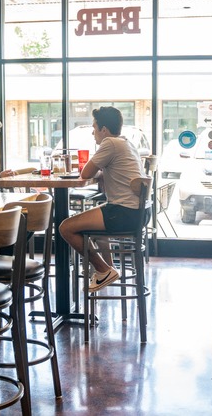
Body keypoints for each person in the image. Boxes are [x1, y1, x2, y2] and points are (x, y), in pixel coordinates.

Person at [59, 107, 146, 292]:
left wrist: (98, 172)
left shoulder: (110, 144)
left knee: (65, 227)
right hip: (137, 213)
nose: (92, 132)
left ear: (104, 130)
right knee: (94, 230)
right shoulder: (127, 143)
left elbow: (86, 172)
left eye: (94, 127)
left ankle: (104, 270)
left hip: (123, 212)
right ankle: (109, 271)